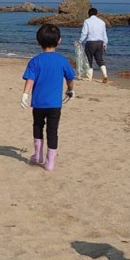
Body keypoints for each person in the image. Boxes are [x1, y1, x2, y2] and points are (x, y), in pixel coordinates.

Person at [21, 24, 75, 171]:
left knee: (38, 126)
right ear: (59, 41)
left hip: (38, 103)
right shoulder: (62, 61)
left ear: (38, 41)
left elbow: (30, 79)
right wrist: (70, 90)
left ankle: (38, 154)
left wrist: (25, 94)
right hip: (55, 104)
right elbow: (70, 78)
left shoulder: (35, 61)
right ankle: (50, 162)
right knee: (52, 131)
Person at [78, 7, 109, 83]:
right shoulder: (102, 22)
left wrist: (80, 41)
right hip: (100, 43)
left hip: (91, 43)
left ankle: (89, 77)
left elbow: (84, 33)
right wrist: (105, 43)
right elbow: (104, 34)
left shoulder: (87, 21)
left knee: (89, 60)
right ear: (96, 13)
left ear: (89, 14)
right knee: (100, 60)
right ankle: (105, 75)